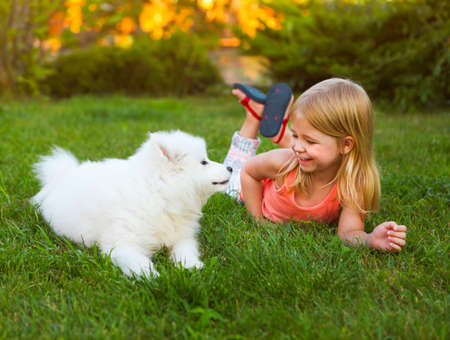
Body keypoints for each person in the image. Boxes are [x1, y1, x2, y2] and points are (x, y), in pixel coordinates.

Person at [224, 78, 407, 252]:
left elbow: (348, 234)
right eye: (295, 136)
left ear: (346, 145)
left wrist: (371, 239)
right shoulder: (284, 162)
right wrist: (257, 220)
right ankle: (253, 117)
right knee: (232, 172)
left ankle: (265, 119)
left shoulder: (352, 185)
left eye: (310, 141)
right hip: (248, 189)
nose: (296, 147)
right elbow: (248, 172)